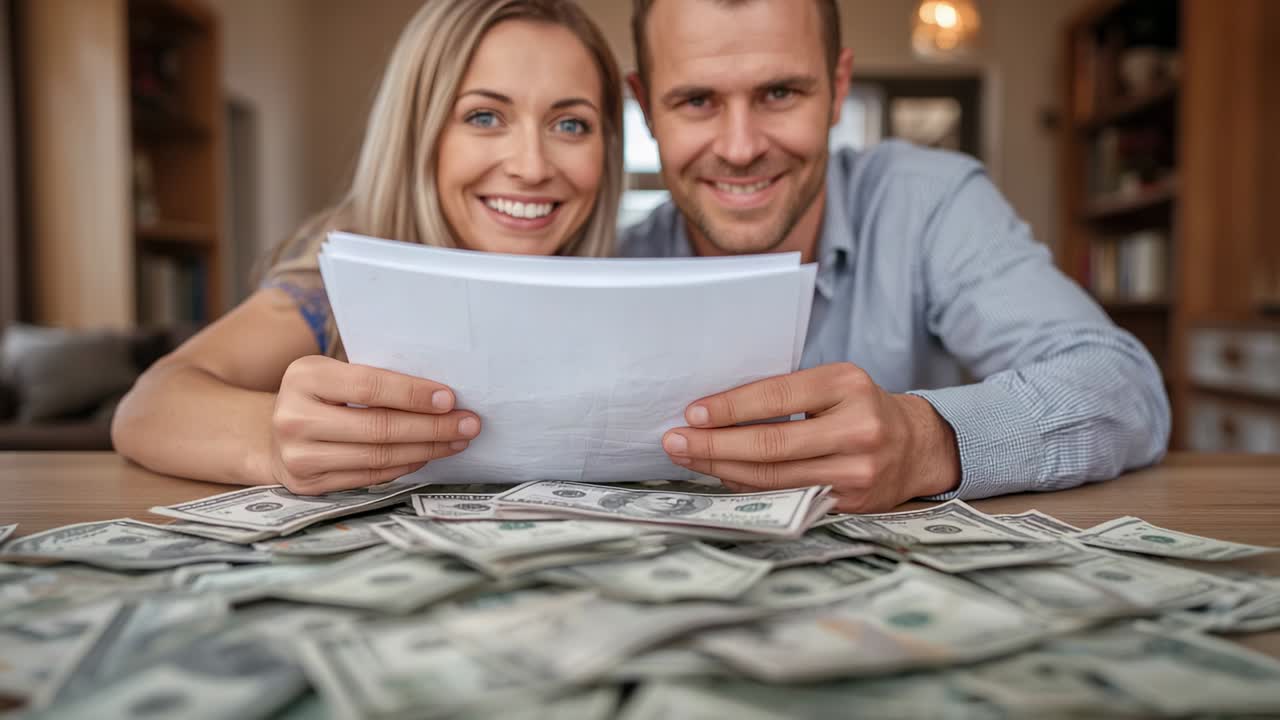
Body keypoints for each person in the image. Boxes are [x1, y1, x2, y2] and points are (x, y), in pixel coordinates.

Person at [624, 0, 1170, 512]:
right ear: (647, 107)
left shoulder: (929, 201)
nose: (740, 148)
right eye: (697, 101)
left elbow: (1124, 386)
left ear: (838, 88)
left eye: (781, 93)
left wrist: (928, 441)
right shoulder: (618, 263)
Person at [111, 0, 623, 495]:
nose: (531, 167)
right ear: (417, 134)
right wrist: (270, 440)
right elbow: (147, 406)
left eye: (571, 124)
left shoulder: (629, 289)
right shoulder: (336, 272)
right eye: (484, 117)